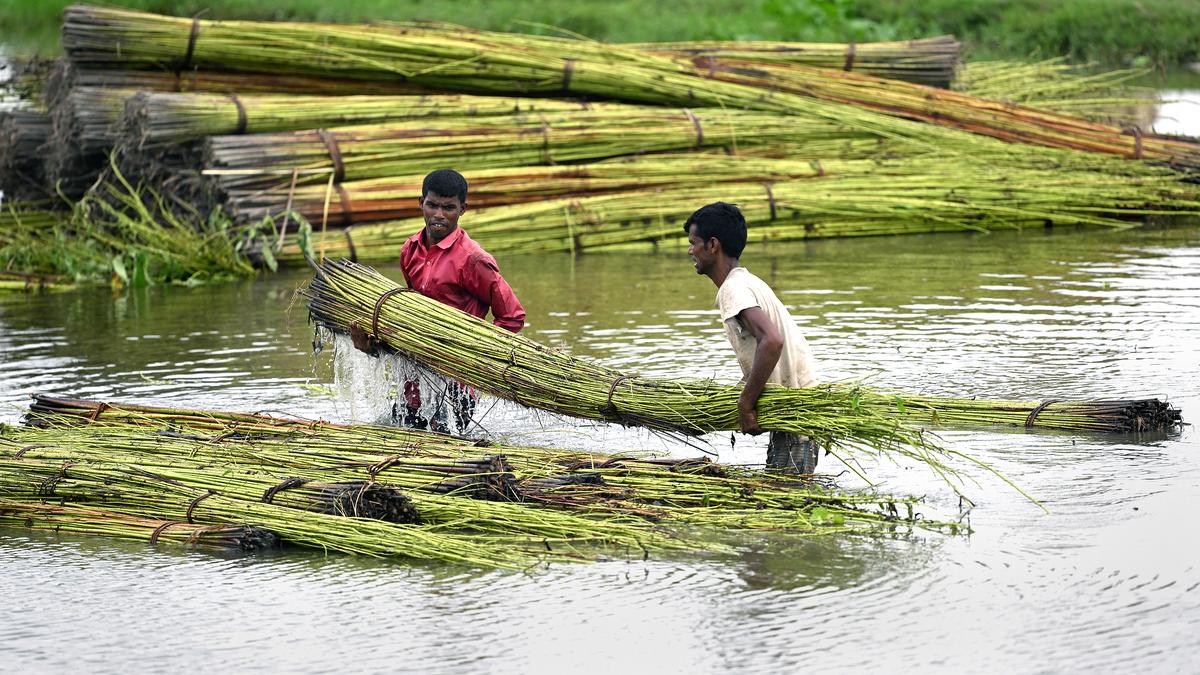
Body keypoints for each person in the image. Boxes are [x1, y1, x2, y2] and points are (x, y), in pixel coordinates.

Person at [352, 168, 525, 433]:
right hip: (415, 379)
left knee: (447, 453)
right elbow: (409, 313)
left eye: (449, 208)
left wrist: (474, 356)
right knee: (400, 443)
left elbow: (512, 316)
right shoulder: (410, 250)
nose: (439, 215)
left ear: (462, 209)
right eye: (432, 205)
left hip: (457, 383)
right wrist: (373, 343)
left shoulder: (473, 260)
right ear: (421, 203)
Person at [683, 201, 820, 473]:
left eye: (693, 242)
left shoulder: (734, 289)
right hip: (795, 410)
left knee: (789, 502)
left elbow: (772, 340)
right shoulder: (746, 281)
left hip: (797, 414)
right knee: (784, 497)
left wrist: (745, 404)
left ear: (713, 245)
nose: (690, 250)